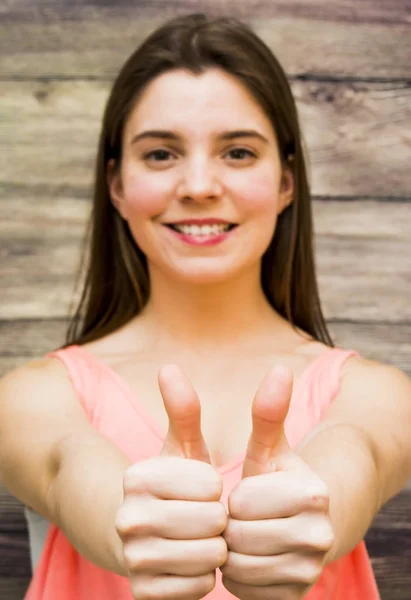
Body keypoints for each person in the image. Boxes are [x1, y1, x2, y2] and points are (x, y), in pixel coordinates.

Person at [0, 12, 410, 600]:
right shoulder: (32, 396)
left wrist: (306, 520)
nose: (198, 185)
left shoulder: (379, 396)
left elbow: (352, 461)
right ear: (116, 186)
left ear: (286, 182)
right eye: (161, 154)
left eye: (238, 153)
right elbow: (72, 470)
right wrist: (131, 533)